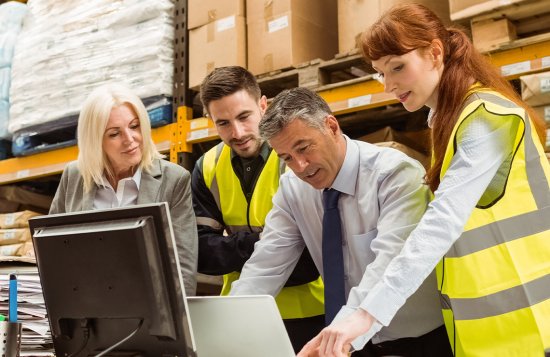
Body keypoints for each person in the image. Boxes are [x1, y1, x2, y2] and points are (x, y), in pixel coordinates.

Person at [298, 4, 550, 357]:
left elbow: (441, 223)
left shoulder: (485, 119)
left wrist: (365, 315)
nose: (388, 85)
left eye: (397, 67)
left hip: (532, 326)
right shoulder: (449, 119)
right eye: (380, 73)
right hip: (494, 330)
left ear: (434, 53)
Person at [229, 86, 452, 357]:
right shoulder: (292, 188)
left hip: (419, 341)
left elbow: (390, 263)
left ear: (332, 127)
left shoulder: (394, 175)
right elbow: (266, 264)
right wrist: (228, 325)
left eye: (304, 147)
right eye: (286, 157)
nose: (300, 166)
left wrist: (347, 326)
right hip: (351, 342)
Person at [191, 66, 326, 353]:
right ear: (210, 120)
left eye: (244, 117)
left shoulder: (293, 160)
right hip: (242, 312)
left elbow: (309, 259)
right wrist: (263, 243)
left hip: (310, 314)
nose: (237, 132)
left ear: (263, 105)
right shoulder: (207, 168)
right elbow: (200, 253)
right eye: (223, 123)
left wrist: (230, 248)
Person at [49, 83, 198, 296]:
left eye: (134, 126)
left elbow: (183, 266)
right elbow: (52, 246)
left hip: (149, 308)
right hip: (84, 307)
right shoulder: (74, 175)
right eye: (114, 133)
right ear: (95, 141)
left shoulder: (174, 180)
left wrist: (174, 324)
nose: (130, 139)